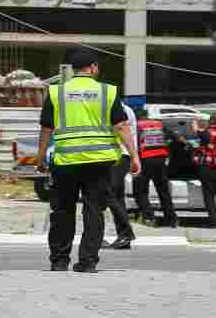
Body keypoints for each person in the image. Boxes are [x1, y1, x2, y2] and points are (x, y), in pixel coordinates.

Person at [34, 47, 140, 272]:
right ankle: (88, 261)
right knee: (94, 210)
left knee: (62, 211)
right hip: (99, 162)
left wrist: (41, 156)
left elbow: (46, 128)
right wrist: (134, 155)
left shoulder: (57, 92)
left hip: (65, 161)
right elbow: (121, 126)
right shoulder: (108, 92)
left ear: (73, 71)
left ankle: (60, 261)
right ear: (93, 68)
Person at [132, 108, 177, 227]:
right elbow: (175, 137)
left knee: (140, 191)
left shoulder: (136, 126)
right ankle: (171, 219)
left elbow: (133, 143)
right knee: (163, 191)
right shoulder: (159, 124)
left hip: (145, 160)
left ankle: (149, 217)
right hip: (160, 161)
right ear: (147, 115)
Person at [103, 97, 137, 249]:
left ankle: (126, 233)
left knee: (109, 193)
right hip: (122, 155)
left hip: (119, 154)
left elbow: (121, 129)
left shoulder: (118, 110)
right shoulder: (126, 109)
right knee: (116, 195)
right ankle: (123, 236)